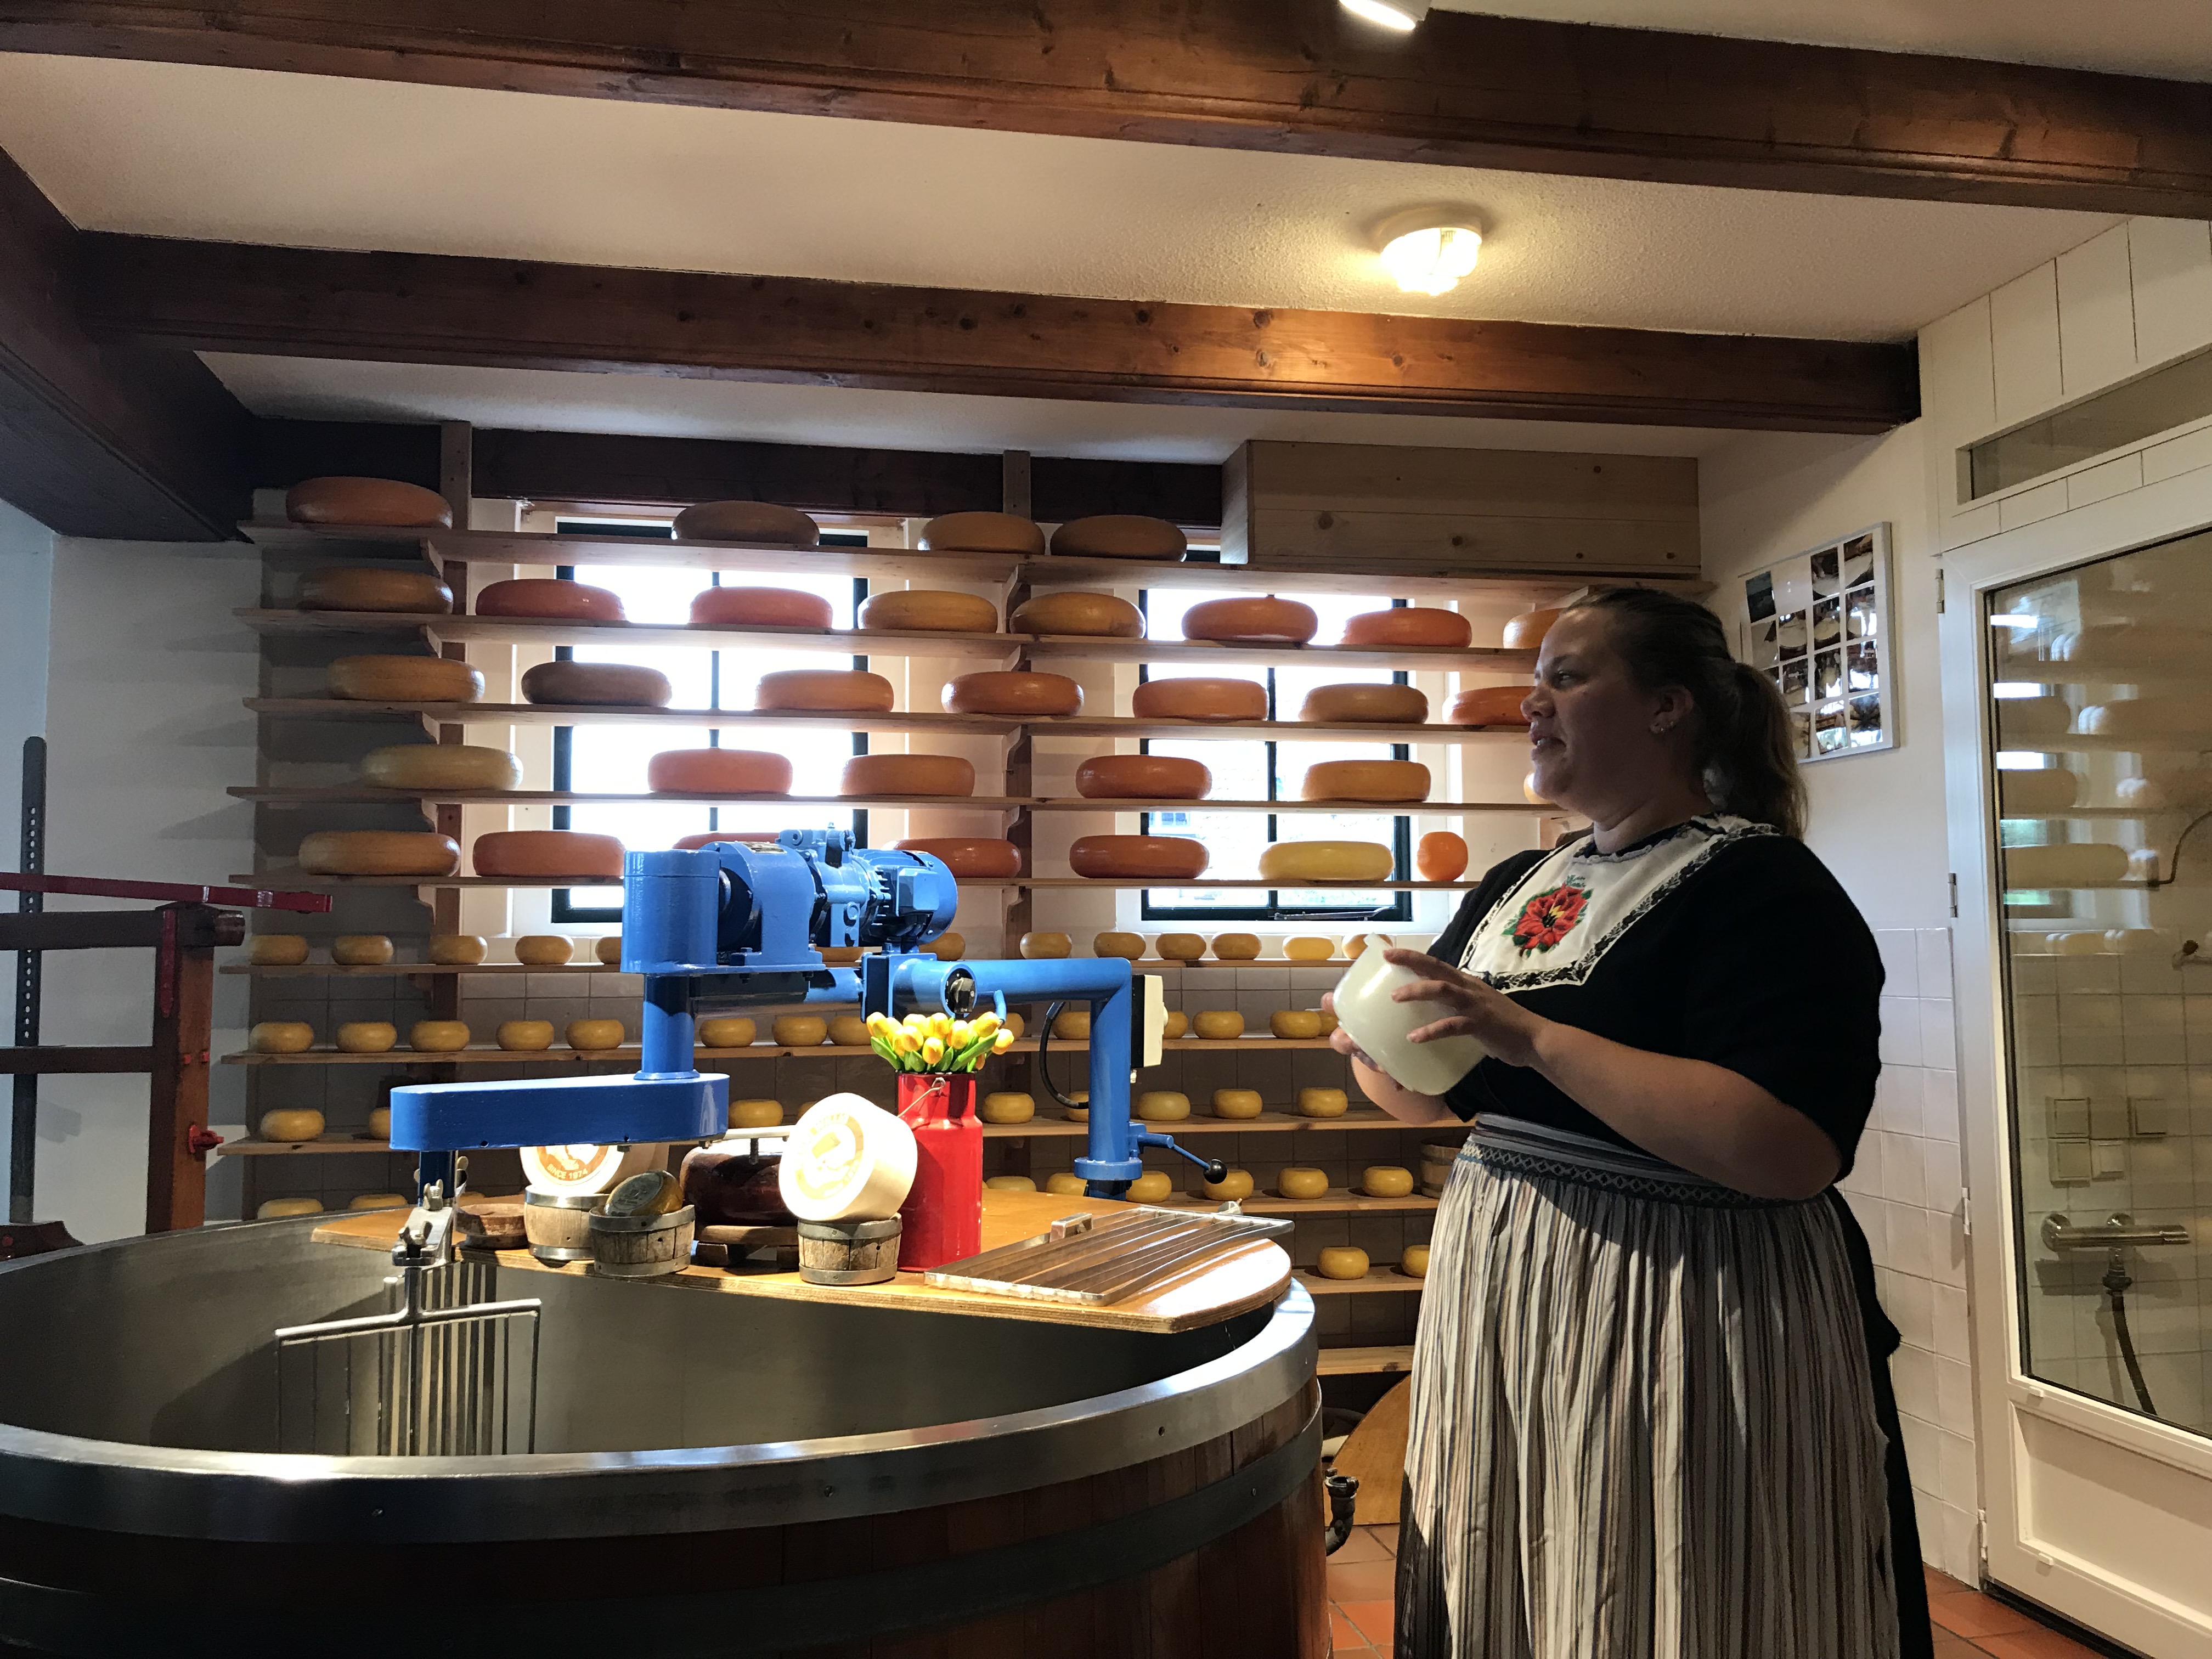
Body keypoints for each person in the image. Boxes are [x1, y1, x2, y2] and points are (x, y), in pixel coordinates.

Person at [1325, 588, 1929, 1659]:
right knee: (1521, 1562)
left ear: (1668, 707)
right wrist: (1378, 1053)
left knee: (1672, 1582)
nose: (1535, 704)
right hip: (1510, 1283)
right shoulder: (1520, 883)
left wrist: (1535, 1039)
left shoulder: (1759, 885)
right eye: (1537, 681)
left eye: (1568, 676)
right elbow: (1438, 1097)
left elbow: (1788, 1146)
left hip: (1683, 1296)